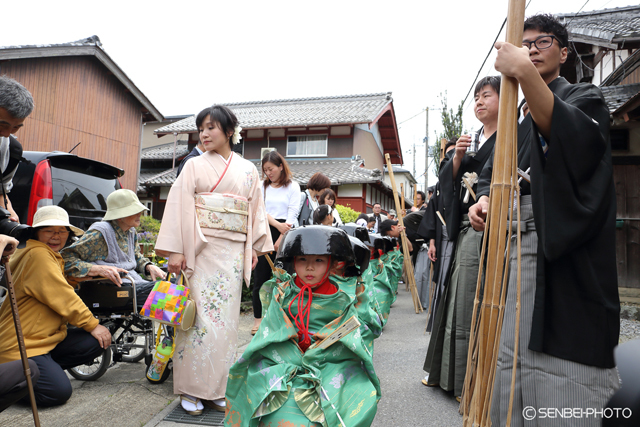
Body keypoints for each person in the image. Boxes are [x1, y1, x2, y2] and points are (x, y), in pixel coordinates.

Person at [468, 14, 619, 426]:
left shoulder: (584, 96)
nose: (531, 48)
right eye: (525, 42)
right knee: (510, 354)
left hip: (557, 244)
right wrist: (483, 202)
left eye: (543, 42)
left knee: (554, 364)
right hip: (512, 248)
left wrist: (521, 72)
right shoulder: (516, 123)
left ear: (565, 53)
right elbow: (492, 177)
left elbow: (577, 144)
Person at [154, 105, 272, 415]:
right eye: (201, 129)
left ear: (229, 131)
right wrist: (177, 250)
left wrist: (254, 248)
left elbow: (254, 211)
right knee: (197, 321)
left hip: (232, 253)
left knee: (226, 322)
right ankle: (192, 389)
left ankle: (218, 387)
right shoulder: (193, 166)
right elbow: (179, 206)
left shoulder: (248, 169)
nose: (204, 134)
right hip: (199, 250)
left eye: (211, 128)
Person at [225, 226, 380, 426]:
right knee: (254, 388)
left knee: (352, 398)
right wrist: (294, 349)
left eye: (318, 261)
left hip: (328, 363)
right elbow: (271, 330)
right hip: (282, 360)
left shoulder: (344, 299)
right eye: (302, 260)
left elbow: (352, 333)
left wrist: (318, 348)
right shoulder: (283, 293)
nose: (309, 268)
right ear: (293, 262)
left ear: (332, 264)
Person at [423, 75, 500, 400]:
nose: (479, 102)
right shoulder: (472, 141)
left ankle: (482, 379)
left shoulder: (515, 133)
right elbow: (446, 188)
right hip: (469, 228)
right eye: (476, 98)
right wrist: (456, 158)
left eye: (486, 96)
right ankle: (455, 375)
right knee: (461, 297)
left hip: (501, 223)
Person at [0, 206, 111, 407]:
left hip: (43, 341)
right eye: (49, 230)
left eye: (62, 231)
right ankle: (15, 382)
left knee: (94, 343)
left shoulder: (43, 253)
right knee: (57, 393)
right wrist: (92, 324)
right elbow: (61, 296)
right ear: (36, 232)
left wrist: (74, 280)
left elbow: (48, 292)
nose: (56, 236)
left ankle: (43, 372)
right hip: (22, 346)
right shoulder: (37, 255)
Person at [62, 189, 166, 307]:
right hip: (111, 289)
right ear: (119, 216)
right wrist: (98, 269)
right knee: (168, 291)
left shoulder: (131, 231)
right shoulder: (100, 233)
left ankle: (170, 325)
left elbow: (135, 257)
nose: (140, 214)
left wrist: (148, 266)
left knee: (174, 284)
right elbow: (66, 259)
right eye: (134, 211)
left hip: (132, 284)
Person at [251, 150, 300, 335]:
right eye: (265, 170)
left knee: (284, 278)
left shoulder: (293, 186)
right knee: (260, 278)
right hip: (265, 231)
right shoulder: (262, 187)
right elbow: (260, 210)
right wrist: (277, 228)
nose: (268, 173)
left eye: (271, 169)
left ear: (281, 167)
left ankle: (283, 318)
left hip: (286, 234)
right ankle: (258, 319)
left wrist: (281, 236)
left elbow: (293, 212)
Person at [418, 139, 456, 333]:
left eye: (454, 154)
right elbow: (432, 214)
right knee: (441, 280)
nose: (450, 159)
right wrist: (431, 242)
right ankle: (440, 324)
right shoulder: (441, 184)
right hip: (442, 240)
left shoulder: (465, 178)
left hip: (460, 235)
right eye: (447, 155)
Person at [0, 76, 35, 222]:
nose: (7, 134)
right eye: (2, 125)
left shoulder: (11, 150)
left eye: (15, 128)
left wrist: (10, 215)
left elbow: (1, 192)